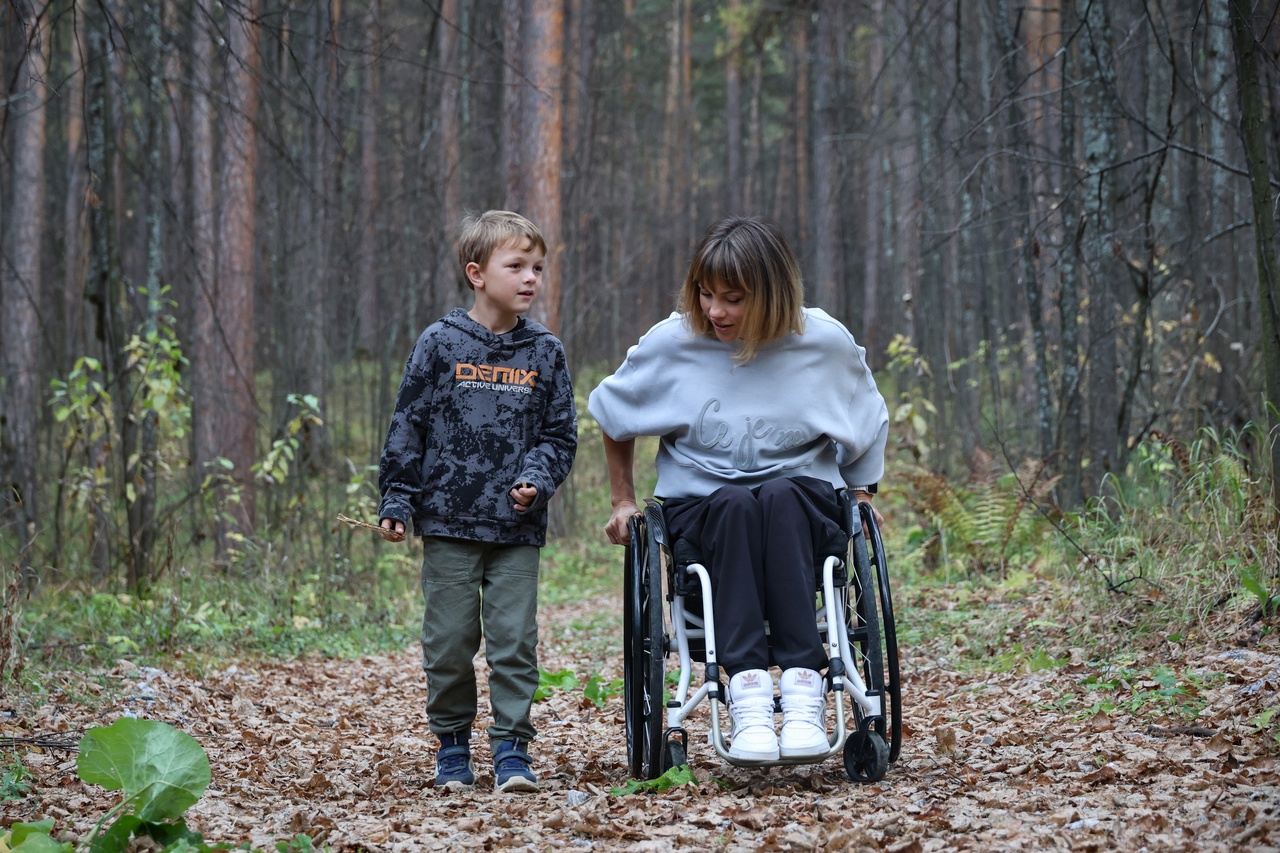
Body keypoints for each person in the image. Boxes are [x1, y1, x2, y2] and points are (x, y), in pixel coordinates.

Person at [588, 216, 888, 762]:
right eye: (705, 294)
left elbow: (866, 416)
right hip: (704, 508)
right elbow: (615, 412)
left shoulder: (823, 341)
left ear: (773, 293)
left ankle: (804, 687)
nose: (714, 311)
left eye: (733, 298)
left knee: (779, 496)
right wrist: (623, 500)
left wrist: (862, 493)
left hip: (801, 505)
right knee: (733, 503)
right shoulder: (673, 343)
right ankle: (747, 691)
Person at [377, 210, 578, 793]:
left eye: (536, 267)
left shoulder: (545, 351)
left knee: (515, 644)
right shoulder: (440, 343)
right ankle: (453, 748)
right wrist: (398, 498)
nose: (530, 278)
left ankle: (512, 751)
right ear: (477, 273)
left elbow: (559, 435)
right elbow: (408, 426)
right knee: (448, 645)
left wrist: (536, 480)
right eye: (516, 266)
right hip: (447, 522)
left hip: (515, 528)